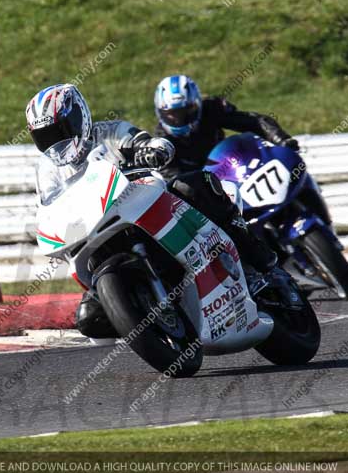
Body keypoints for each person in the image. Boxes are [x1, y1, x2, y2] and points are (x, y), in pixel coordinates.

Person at [25, 83, 279, 337]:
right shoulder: (49, 172)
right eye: (46, 137)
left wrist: (152, 150)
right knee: (89, 319)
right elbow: (48, 206)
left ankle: (255, 257)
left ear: (78, 118)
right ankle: (147, 318)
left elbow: (148, 141)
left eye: (60, 131)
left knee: (195, 185)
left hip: (139, 205)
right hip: (96, 231)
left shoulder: (110, 132)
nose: (56, 141)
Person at [154, 74, 332, 226]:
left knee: (291, 171)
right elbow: (174, 180)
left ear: (197, 105)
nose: (179, 119)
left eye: (185, 111)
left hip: (233, 172)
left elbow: (253, 121)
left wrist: (281, 139)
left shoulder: (212, 109)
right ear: (160, 113)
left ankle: (321, 218)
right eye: (172, 114)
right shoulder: (161, 144)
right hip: (207, 194)